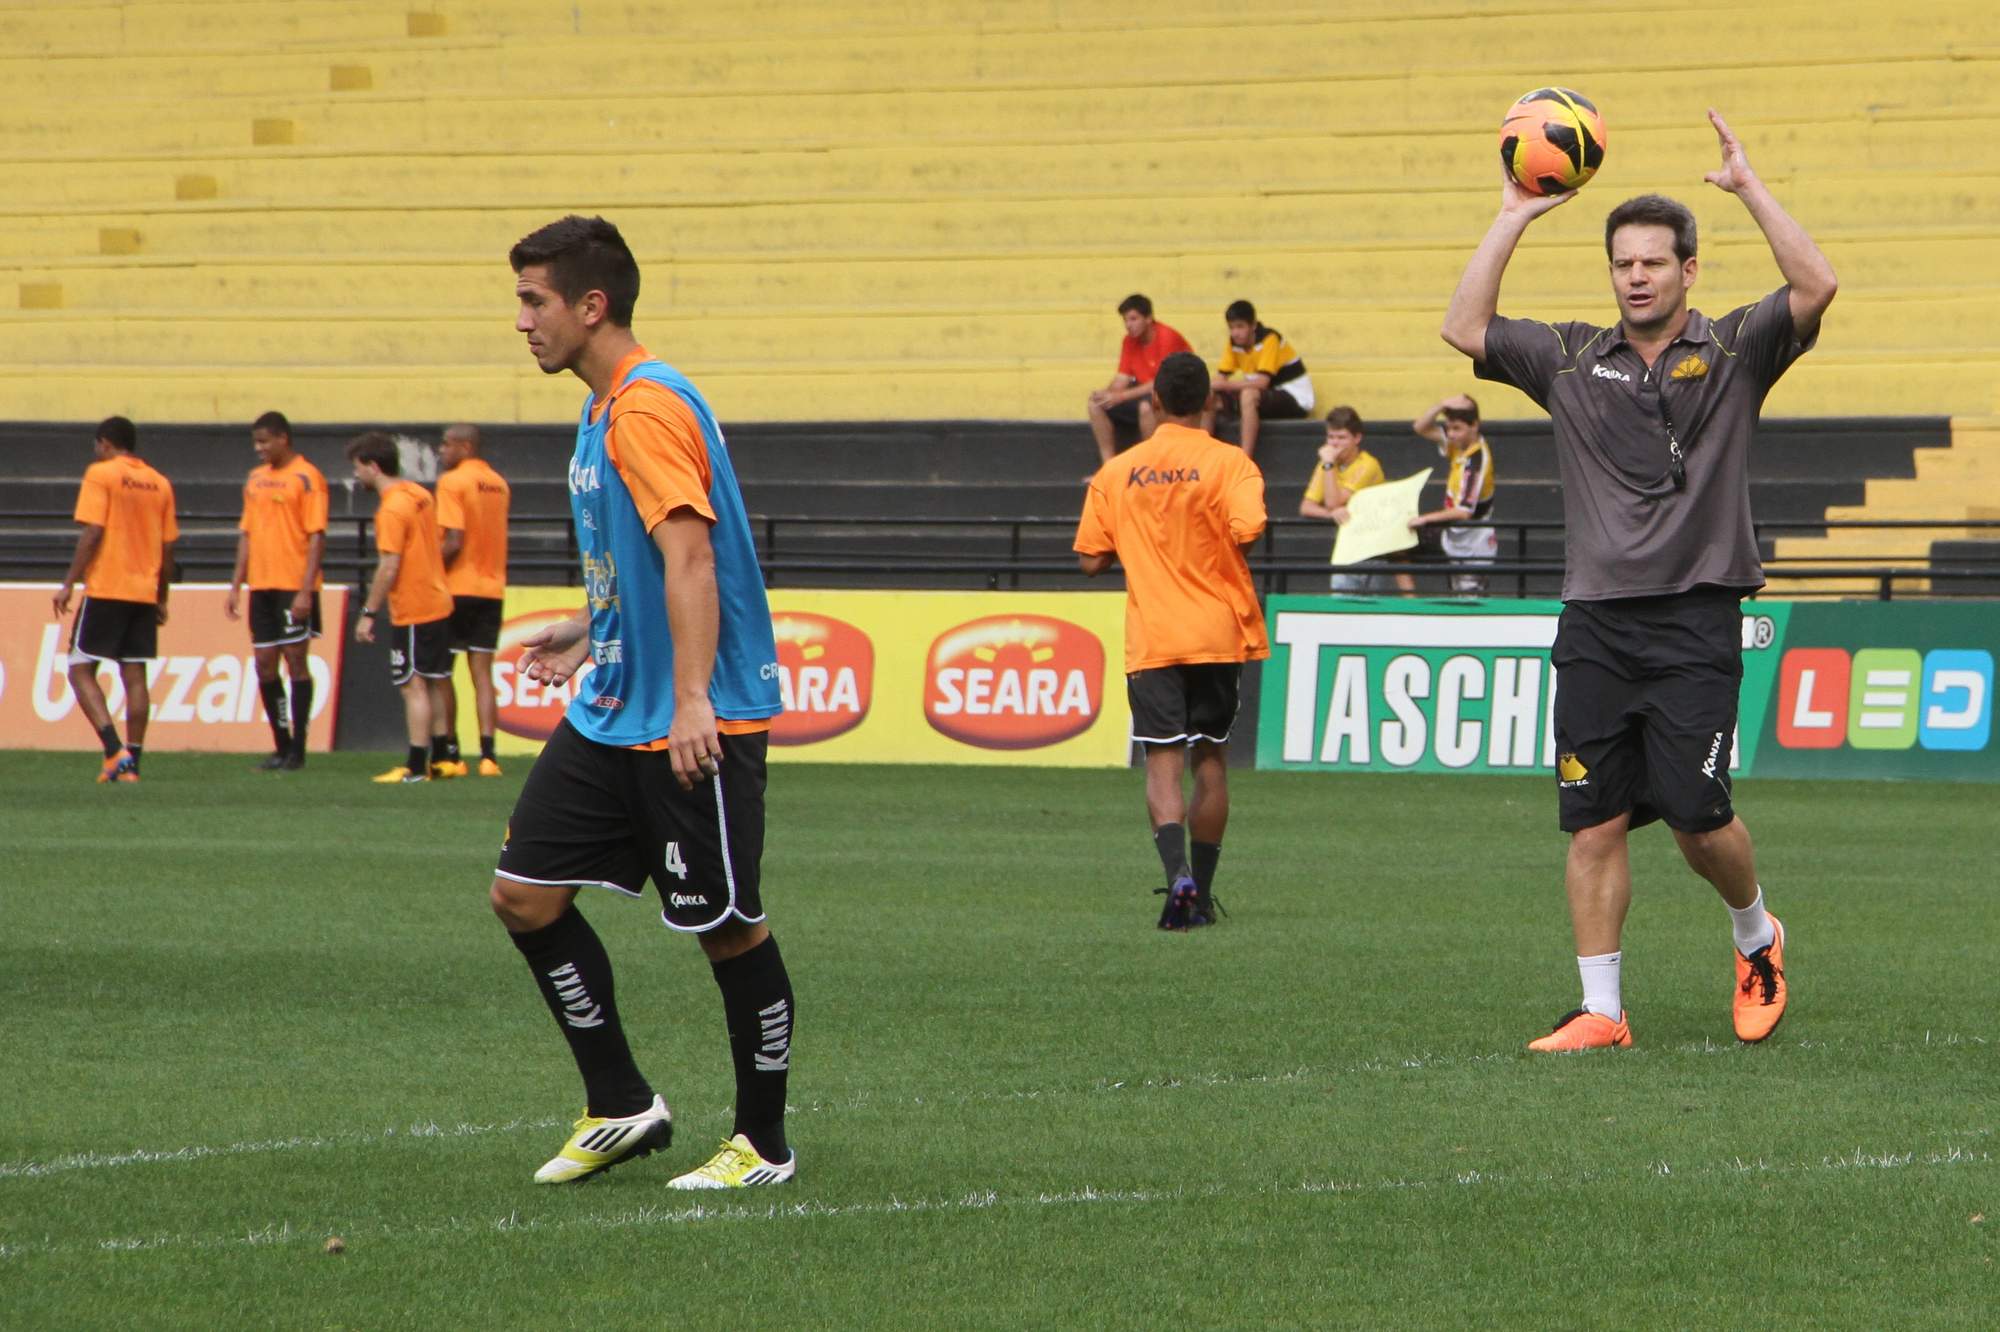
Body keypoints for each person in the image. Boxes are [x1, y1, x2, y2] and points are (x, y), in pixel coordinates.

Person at [1440, 110, 1836, 1052]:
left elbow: (1816, 284)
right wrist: (1513, 214)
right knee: (1594, 822)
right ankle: (1603, 1013)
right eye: (1623, 263)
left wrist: (1748, 189)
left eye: (1654, 262)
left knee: (1701, 821)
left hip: (1696, 620)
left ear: (1688, 270)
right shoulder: (1570, 358)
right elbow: (1464, 327)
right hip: (1596, 626)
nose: (1637, 276)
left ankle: (1756, 934)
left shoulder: (1738, 349)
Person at [495, 215, 794, 1191]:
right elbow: (641, 563)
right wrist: (587, 632)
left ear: (591, 306)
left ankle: (762, 1145)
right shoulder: (598, 410)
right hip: (613, 707)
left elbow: (692, 556)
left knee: (727, 927)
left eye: (534, 301)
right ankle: (621, 1100)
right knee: (524, 898)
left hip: (685, 719)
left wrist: (697, 699)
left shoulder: (645, 408)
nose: (522, 322)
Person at [1075, 350, 1269, 930]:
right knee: (1211, 758)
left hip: (1154, 636)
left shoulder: (1117, 472)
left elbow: (1089, 560)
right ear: (1209, 401)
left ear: (1154, 401)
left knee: (1162, 761)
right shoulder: (1232, 464)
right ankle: (1202, 896)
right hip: (1216, 631)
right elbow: (1248, 531)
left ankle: (1176, 875)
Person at [52, 416, 176, 783]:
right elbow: (168, 548)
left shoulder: (101, 474)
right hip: (143, 590)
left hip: (108, 585)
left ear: (105, 443)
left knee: (79, 669)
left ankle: (112, 749)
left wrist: (69, 582)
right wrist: (162, 596)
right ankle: (133, 762)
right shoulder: (160, 483)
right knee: (134, 674)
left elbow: (93, 532)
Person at [348, 432, 456, 784]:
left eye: (358, 468)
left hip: (414, 605)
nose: (356, 476)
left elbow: (389, 565)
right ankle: (442, 758)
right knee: (434, 678)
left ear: (374, 466)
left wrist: (368, 613)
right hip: (438, 598)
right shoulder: (419, 494)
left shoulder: (392, 507)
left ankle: (414, 766)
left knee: (412, 684)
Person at [223, 410, 326, 771]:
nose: (259, 448)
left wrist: (305, 591)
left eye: (264, 441)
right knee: (265, 665)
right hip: (262, 586)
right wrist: (237, 584)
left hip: (293, 585)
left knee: (296, 661)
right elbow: (247, 534)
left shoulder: (307, 477)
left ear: (283, 438)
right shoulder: (255, 480)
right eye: (256, 442)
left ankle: (298, 749)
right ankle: (280, 746)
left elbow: (316, 537)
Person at [435, 422, 511, 777]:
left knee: (443, 672)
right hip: (492, 587)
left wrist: (428, 569)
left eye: (446, 444)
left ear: (465, 446)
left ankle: (451, 752)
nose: (440, 451)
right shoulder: (498, 483)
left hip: (456, 588)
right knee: (482, 673)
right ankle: (488, 756)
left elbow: (453, 539)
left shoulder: (452, 482)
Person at [1298, 406, 1403, 593]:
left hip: (1372, 548)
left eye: (1341, 438)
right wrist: (1331, 515)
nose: (1334, 444)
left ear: (1357, 438)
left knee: (1371, 608)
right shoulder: (1326, 464)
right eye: (1331, 437)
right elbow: (1306, 507)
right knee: (1341, 602)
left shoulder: (1367, 464)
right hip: (1346, 548)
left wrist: (1329, 464)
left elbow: (1333, 502)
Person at [1086, 294, 1193, 467]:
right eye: (1126, 320)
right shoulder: (1129, 341)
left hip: (1175, 394)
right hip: (1145, 391)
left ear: (1149, 318)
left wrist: (1120, 397)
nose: (1129, 325)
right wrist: (1107, 394)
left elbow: (1161, 381)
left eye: (1133, 319)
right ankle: (1108, 466)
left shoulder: (1167, 337)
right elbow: (1122, 377)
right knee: (1095, 404)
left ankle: (1152, 465)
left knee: (1146, 407)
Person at [1407, 394, 1498, 595]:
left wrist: (1424, 519)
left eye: (1457, 428)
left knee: (1469, 601)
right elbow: (1420, 427)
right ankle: (1409, 599)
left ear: (1474, 425)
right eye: (1448, 428)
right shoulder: (1457, 446)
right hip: (1456, 538)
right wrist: (1442, 404)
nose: (1451, 434)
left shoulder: (1476, 460)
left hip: (1473, 545)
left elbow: (1464, 511)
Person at [1202, 299, 1315, 459]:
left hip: (1295, 398)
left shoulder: (1270, 339)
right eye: (1232, 328)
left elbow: (1262, 382)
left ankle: (1245, 458)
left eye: (1240, 326)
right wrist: (1211, 387)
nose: (1235, 332)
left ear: (1253, 325)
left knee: (1249, 394)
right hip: (1267, 397)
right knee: (1210, 396)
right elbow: (1221, 377)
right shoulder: (1234, 344)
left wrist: (1224, 384)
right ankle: (1202, 452)